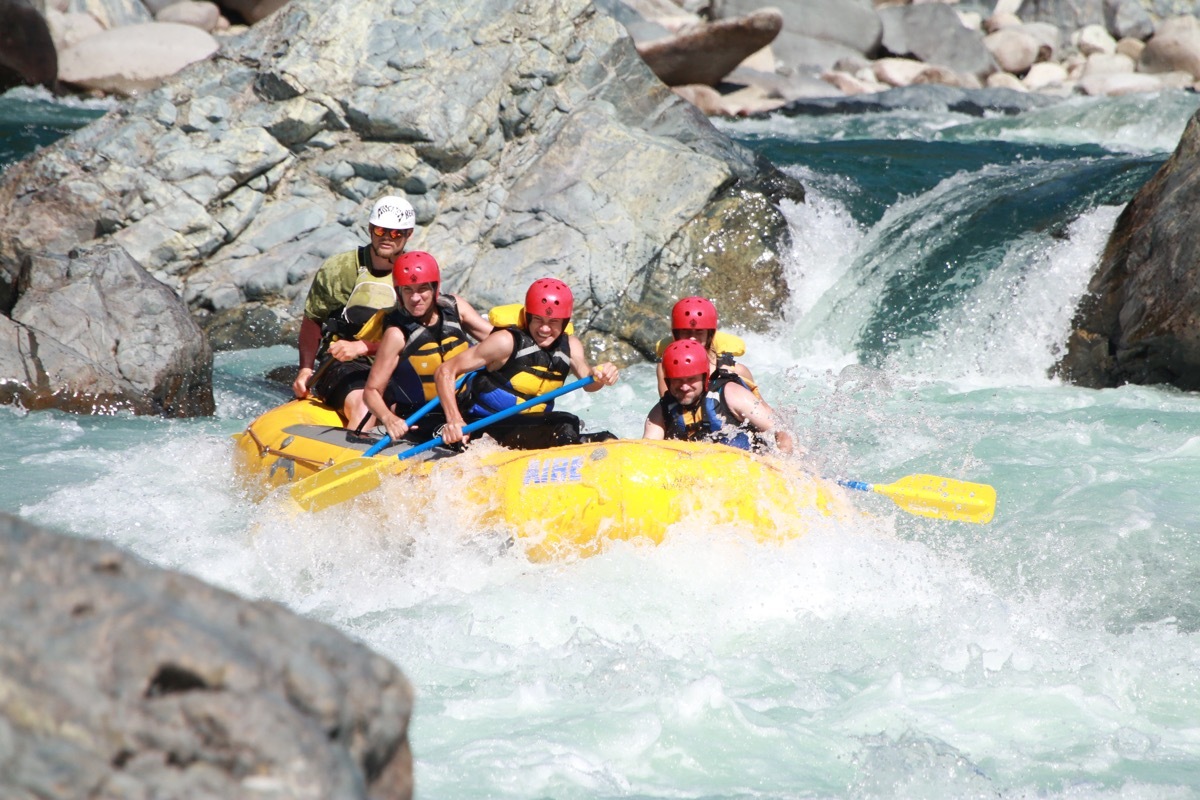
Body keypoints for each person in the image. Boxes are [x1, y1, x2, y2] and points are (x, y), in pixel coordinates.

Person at [433, 278, 620, 450]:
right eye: (538, 319)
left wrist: (601, 376)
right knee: (565, 423)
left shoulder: (571, 346)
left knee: (605, 438)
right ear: (528, 317)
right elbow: (445, 371)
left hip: (526, 428)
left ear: (564, 323)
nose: (545, 329)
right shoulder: (505, 342)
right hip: (481, 426)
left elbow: (589, 382)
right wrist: (454, 421)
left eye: (553, 322)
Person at [292, 195, 416, 429]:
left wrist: (368, 346)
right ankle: (348, 458)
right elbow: (313, 321)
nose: (387, 238)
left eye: (396, 233)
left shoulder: (416, 273)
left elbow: (422, 333)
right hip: (345, 364)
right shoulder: (338, 269)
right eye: (380, 230)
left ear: (408, 234)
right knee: (365, 406)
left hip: (397, 364)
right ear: (370, 229)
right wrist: (305, 370)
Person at [361, 251, 493, 443]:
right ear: (399, 293)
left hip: (467, 405)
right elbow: (371, 391)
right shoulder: (397, 334)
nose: (415, 298)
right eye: (408, 290)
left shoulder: (456, 308)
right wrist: (389, 419)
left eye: (422, 289)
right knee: (459, 440)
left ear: (435, 289)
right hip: (422, 416)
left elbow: (496, 339)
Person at [644, 338, 794, 454]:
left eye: (691, 379)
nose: (684, 387)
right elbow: (647, 452)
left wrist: (781, 462)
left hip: (747, 471)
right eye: (677, 380)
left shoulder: (731, 394)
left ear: (704, 377)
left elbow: (781, 432)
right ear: (668, 381)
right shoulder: (661, 412)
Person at [655, 296, 760, 397]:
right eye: (685, 331)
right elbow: (668, 407)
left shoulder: (737, 371)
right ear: (676, 334)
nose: (692, 337)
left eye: (699, 331)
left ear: (709, 334)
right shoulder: (664, 367)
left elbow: (762, 409)